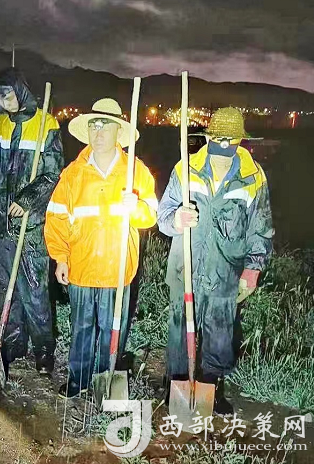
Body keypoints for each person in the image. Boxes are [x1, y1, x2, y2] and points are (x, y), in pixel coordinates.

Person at [157, 107, 273, 415]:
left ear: (240, 141)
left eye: (230, 139)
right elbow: (162, 216)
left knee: (220, 332)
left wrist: (252, 270)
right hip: (185, 267)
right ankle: (176, 384)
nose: (223, 145)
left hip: (226, 271)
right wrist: (176, 220)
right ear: (208, 138)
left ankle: (212, 387)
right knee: (180, 329)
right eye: (218, 138)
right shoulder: (186, 169)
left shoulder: (253, 177)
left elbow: (260, 227)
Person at [45, 98, 158, 398]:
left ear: (118, 132)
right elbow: (56, 217)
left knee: (113, 329)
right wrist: (60, 258)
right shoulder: (73, 173)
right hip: (81, 266)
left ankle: (105, 381)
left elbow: (151, 217)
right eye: (94, 125)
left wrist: (136, 207)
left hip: (117, 268)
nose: (98, 132)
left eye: (105, 125)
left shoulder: (136, 171)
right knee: (81, 327)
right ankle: (78, 379)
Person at [0, 67, 64, 377]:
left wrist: (27, 199)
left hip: (30, 225)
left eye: (7, 94)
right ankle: (14, 342)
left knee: (34, 289)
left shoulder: (45, 124)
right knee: (6, 286)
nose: (4, 100)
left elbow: (53, 173)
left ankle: (44, 349)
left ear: (20, 91)